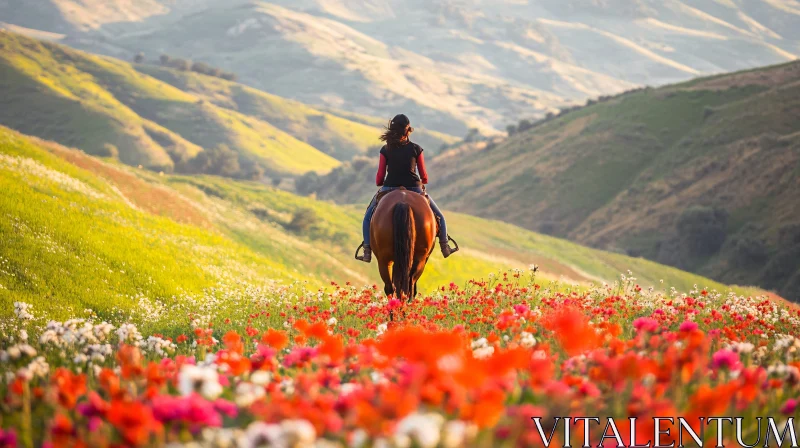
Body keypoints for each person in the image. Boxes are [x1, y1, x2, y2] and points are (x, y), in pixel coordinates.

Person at [356, 114, 458, 263]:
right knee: (440, 217)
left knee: (367, 218)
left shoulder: (385, 149)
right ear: (408, 130)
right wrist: (421, 181)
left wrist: (384, 182)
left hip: (389, 187)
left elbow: (379, 177)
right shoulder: (416, 149)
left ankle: (367, 250)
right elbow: (424, 176)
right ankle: (445, 245)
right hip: (414, 188)